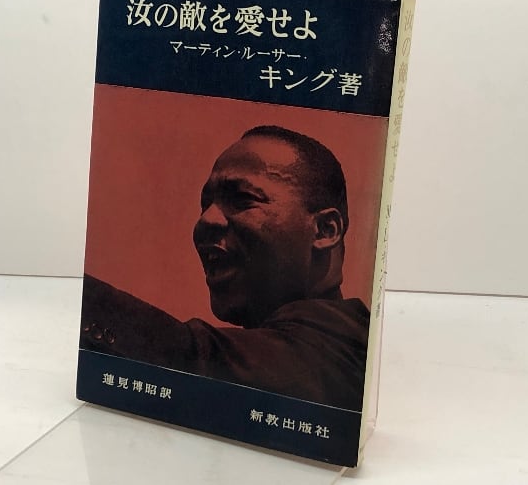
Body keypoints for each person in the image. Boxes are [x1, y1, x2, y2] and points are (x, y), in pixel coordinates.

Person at [80, 125, 370, 411]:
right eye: (205, 204)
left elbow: (193, 357)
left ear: (325, 230)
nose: (206, 220)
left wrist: (76, 299)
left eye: (243, 199)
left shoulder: (341, 349)